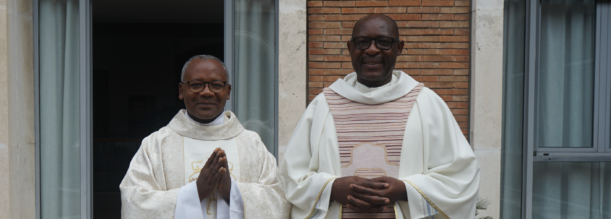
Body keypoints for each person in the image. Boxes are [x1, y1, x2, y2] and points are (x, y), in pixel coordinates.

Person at [280, 14, 480, 219]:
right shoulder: (323, 105)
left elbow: (462, 175)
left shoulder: (426, 103)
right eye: (362, 42)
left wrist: (405, 189)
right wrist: (331, 188)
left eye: (383, 42)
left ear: (399, 48)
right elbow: (292, 176)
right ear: (350, 48)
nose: (372, 50)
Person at [120, 55, 289, 219]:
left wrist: (233, 192)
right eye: (196, 84)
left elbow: (279, 200)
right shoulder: (156, 145)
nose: (206, 92)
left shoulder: (252, 144)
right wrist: (195, 192)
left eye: (216, 85)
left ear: (228, 91)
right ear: (181, 90)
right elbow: (133, 202)